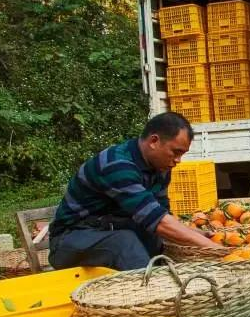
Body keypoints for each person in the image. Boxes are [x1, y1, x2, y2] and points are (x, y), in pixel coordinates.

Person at [49, 112, 225, 270]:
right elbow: (159, 222)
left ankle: (165, 283)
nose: (178, 160)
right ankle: (156, 298)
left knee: (153, 239)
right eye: (175, 152)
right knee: (124, 243)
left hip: (110, 230)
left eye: (182, 154)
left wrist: (199, 235)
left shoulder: (160, 168)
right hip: (70, 241)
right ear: (154, 141)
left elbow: (162, 215)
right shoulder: (117, 165)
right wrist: (219, 251)